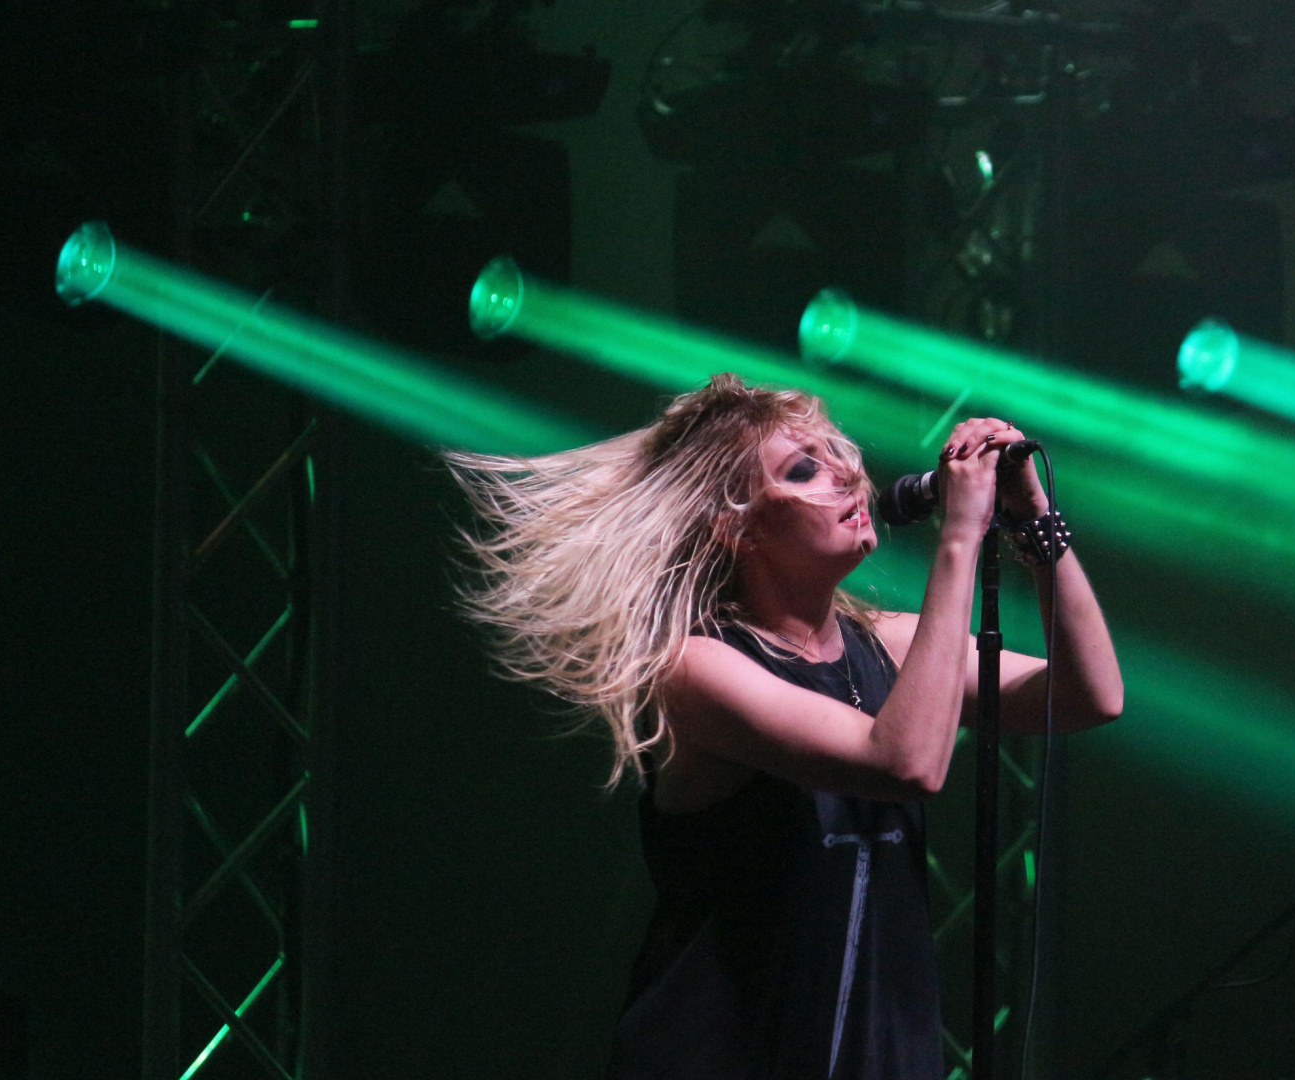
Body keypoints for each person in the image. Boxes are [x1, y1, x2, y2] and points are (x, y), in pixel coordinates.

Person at [446, 374, 1122, 1080]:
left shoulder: (883, 644)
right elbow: (907, 764)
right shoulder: (696, 670)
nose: (846, 475)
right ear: (733, 525)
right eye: (804, 469)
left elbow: (1087, 694)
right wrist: (957, 538)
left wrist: (1035, 524)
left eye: (837, 453)